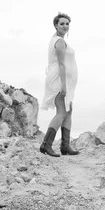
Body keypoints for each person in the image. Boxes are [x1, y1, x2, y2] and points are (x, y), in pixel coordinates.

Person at [40, 12, 79, 157]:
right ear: (56, 25)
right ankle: (46, 144)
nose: (65, 26)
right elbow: (61, 64)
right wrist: (63, 85)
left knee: (69, 110)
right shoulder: (59, 41)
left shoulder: (57, 40)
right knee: (62, 112)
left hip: (64, 80)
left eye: (67, 24)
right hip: (59, 80)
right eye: (62, 23)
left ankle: (65, 145)